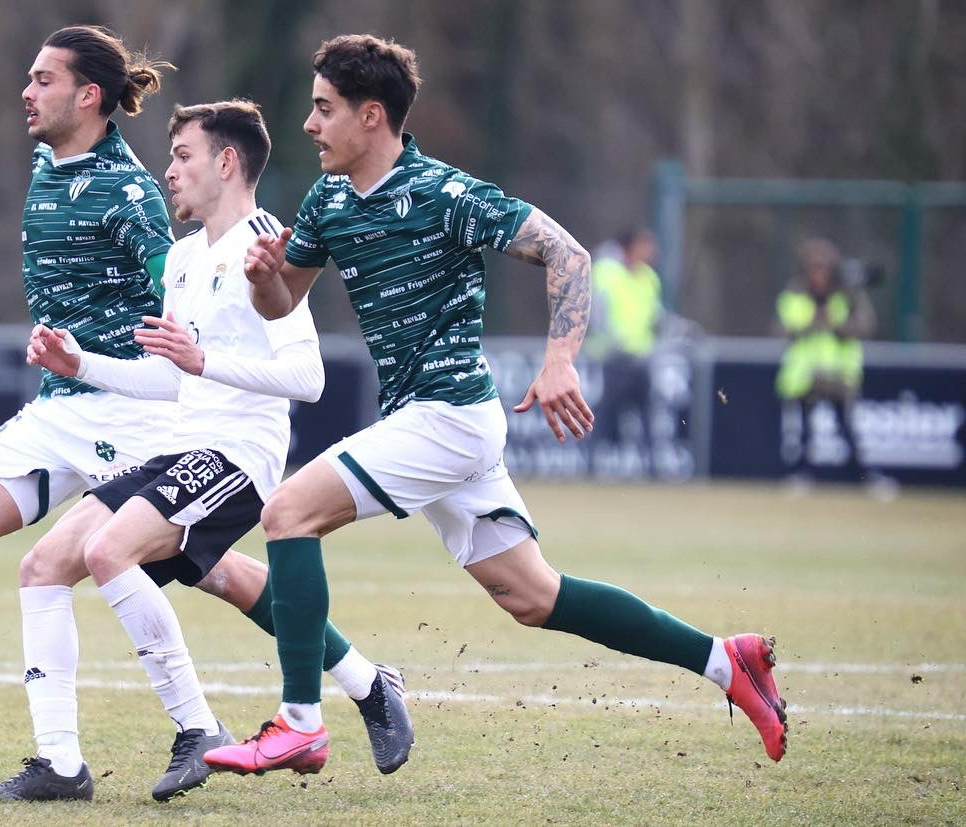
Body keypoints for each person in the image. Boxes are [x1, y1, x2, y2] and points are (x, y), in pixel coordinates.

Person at [0, 26, 405, 781]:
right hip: (68, 402)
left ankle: (333, 690)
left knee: (190, 566)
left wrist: (205, 347)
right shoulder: (50, 166)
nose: (26, 91)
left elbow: (196, 305)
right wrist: (75, 361)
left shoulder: (136, 197)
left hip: (143, 421)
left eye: (43, 79)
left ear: (88, 95)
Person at [203, 34, 788, 778]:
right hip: (424, 422)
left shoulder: (447, 194)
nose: (310, 125)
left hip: (448, 417)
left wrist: (559, 361)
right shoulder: (327, 200)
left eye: (324, 110)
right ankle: (723, 659)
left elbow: (566, 253)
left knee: (287, 513)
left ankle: (300, 724)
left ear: (371, 115)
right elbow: (285, 302)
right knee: (534, 595)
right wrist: (263, 277)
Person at [0, 100, 412, 805]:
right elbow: (171, 378)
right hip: (177, 446)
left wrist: (205, 362)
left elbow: (308, 377)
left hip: (238, 456)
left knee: (108, 551)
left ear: (227, 162)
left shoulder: (267, 247)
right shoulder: (181, 259)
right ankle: (59, 763)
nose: (169, 171)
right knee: (42, 564)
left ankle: (198, 727)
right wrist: (79, 362)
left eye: (182, 156)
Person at [776, 238, 875, 487]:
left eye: (824, 267)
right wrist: (814, 323)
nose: (818, 273)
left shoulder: (847, 296)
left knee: (846, 428)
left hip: (838, 375)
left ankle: (862, 477)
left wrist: (837, 325)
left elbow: (865, 325)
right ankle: (802, 474)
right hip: (805, 375)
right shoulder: (795, 294)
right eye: (814, 267)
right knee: (805, 431)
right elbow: (784, 328)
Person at [590, 226, 664, 449]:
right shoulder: (607, 272)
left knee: (647, 415)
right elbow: (597, 314)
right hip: (614, 359)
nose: (651, 251)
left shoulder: (649, 277)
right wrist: (612, 342)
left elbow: (655, 316)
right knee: (607, 415)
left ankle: (654, 471)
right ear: (631, 246)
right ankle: (595, 466)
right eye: (645, 244)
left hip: (641, 359)